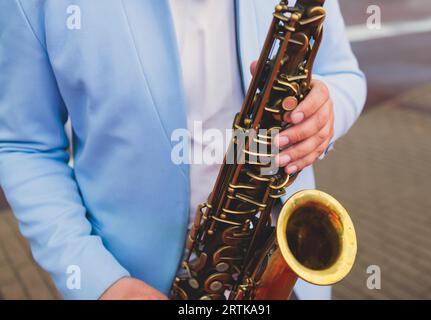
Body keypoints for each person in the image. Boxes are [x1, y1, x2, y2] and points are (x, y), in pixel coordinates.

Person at [0, 0, 366, 300]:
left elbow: (343, 73)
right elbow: (24, 144)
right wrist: (98, 281)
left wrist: (327, 111)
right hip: (132, 280)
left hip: (280, 278)